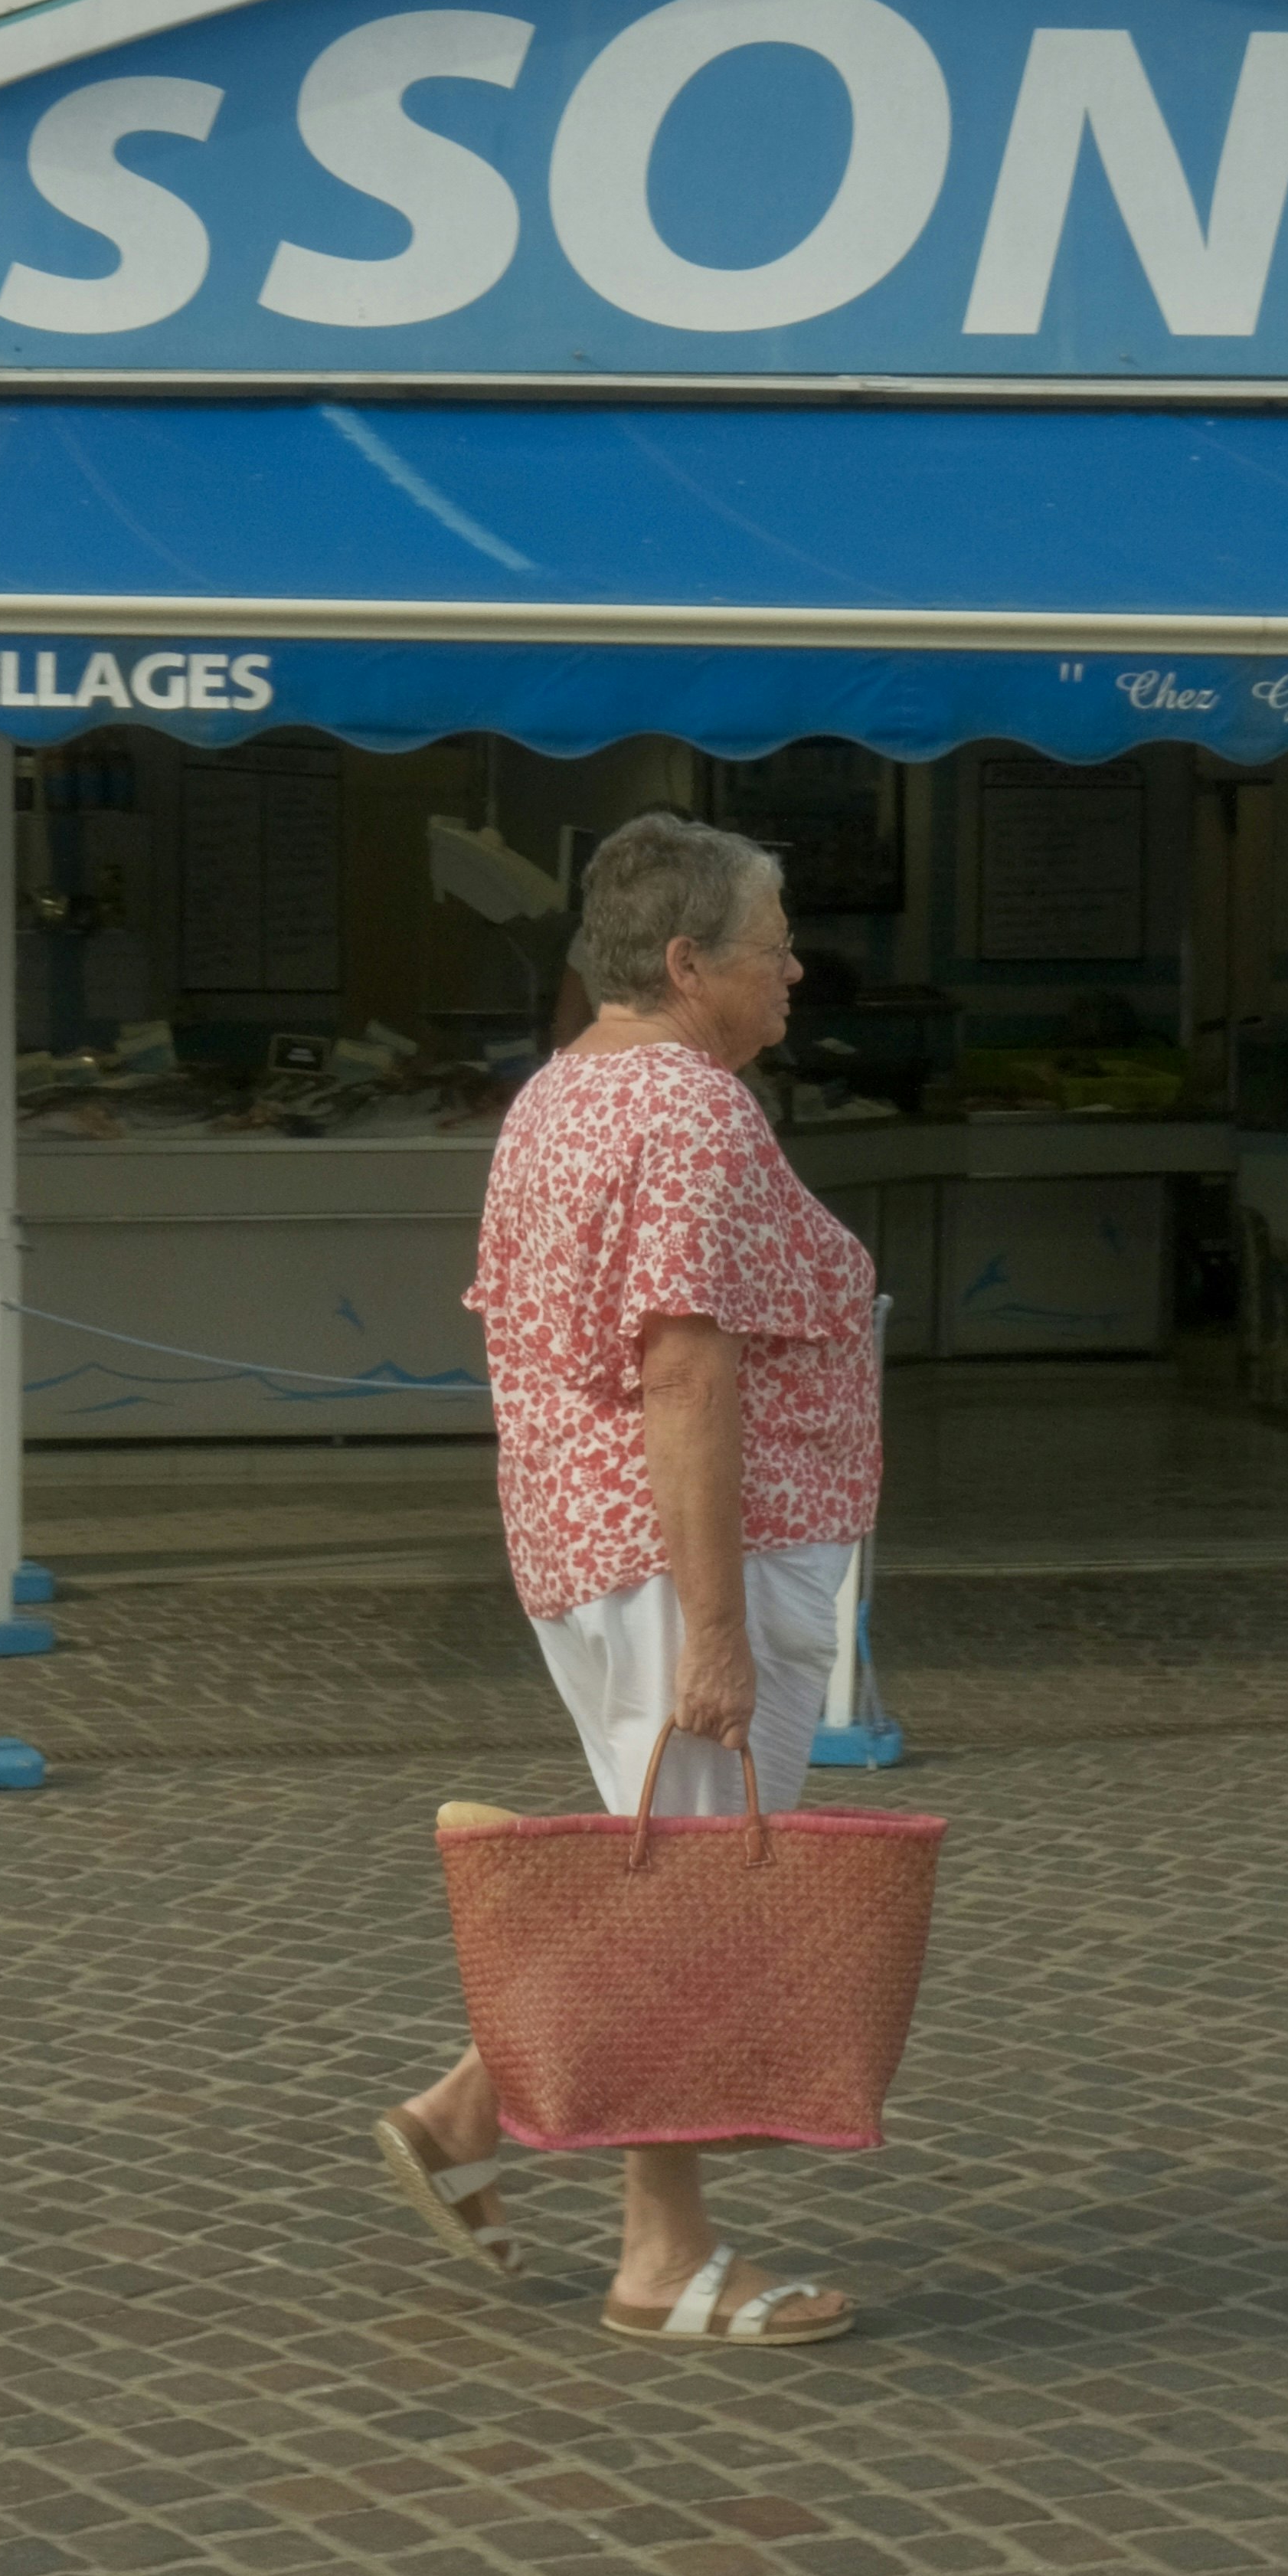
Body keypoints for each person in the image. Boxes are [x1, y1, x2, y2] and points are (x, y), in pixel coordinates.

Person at [377, 810, 882, 2348]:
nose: (795, 968)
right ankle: (661, 2258)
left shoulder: (558, 1093)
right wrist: (720, 1628)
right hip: (677, 1558)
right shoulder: (688, 1113)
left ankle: (464, 2111)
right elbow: (681, 1367)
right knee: (696, 1900)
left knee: (657, 1861)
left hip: (585, 1543)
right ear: (685, 959)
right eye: (770, 942)